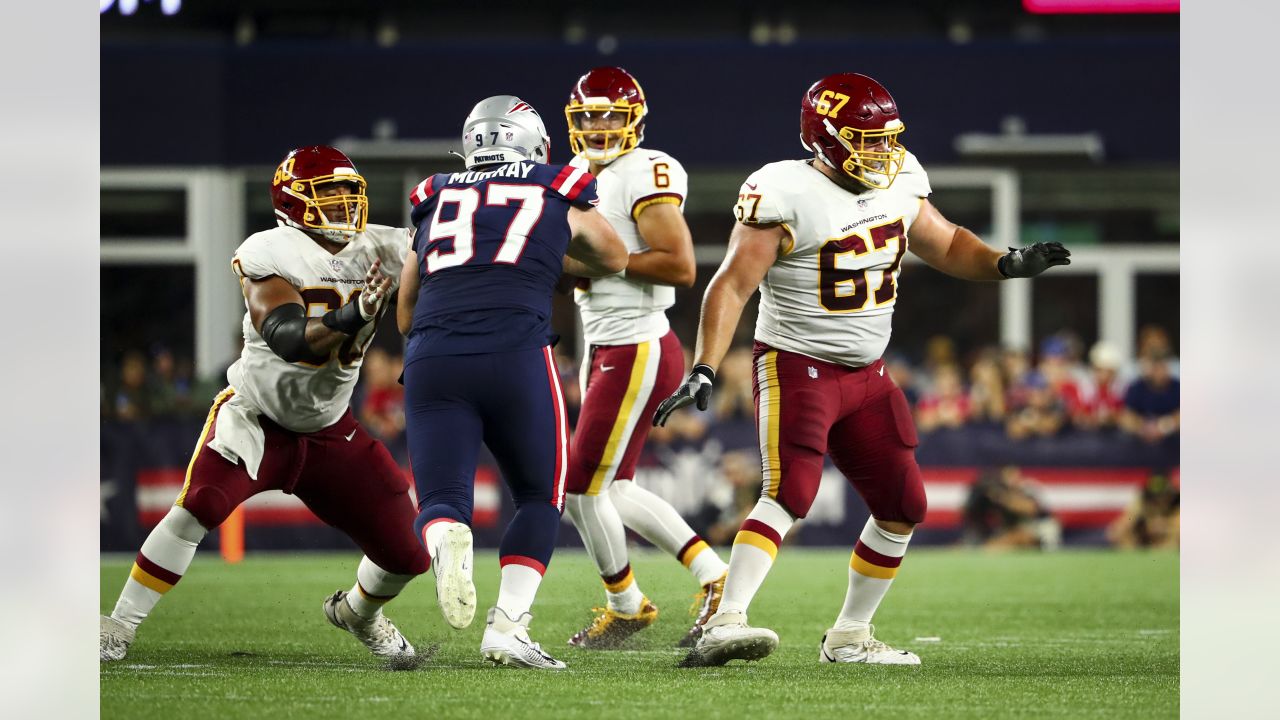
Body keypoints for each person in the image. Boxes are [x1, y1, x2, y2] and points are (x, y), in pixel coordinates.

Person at [653, 72, 1071, 667]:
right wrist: (705, 366)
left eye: (886, 138)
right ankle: (725, 620)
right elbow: (733, 284)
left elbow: (947, 243)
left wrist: (1005, 263)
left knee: (904, 502)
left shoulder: (900, 178)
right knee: (790, 490)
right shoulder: (782, 191)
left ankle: (849, 636)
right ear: (824, 138)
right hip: (798, 364)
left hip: (868, 374)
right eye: (866, 139)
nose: (882, 150)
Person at [101, 145, 430, 664]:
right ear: (293, 203)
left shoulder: (385, 246)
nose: (345, 206)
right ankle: (117, 626)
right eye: (330, 194)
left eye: (350, 193)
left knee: (408, 553)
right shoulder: (269, 249)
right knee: (200, 506)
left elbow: (458, 258)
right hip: (257, 418)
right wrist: (353, 314)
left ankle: (359, 614)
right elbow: (288, 336)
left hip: (331, 427)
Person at [397, 96, 627, 670]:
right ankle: (507, 626)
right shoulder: (557, 185)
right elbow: (615, 256)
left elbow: (404, 312)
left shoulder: (435, 196)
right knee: (539, 496)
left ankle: (446, 534)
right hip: (516, 351)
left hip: (432, 356)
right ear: (534, 144)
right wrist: (547, 259)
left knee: (441, 501)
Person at [559, 66, 729, 649]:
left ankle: (627, 604)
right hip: (604, 343)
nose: (599, 126)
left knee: (581, 489)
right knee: (612, 487)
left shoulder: (643, 170)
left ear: (634, 118)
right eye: (587, 116)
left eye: (610, 114)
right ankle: (713, 575)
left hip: (637, 343)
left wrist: (595, 263)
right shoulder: (577, 173)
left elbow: (680, 266)